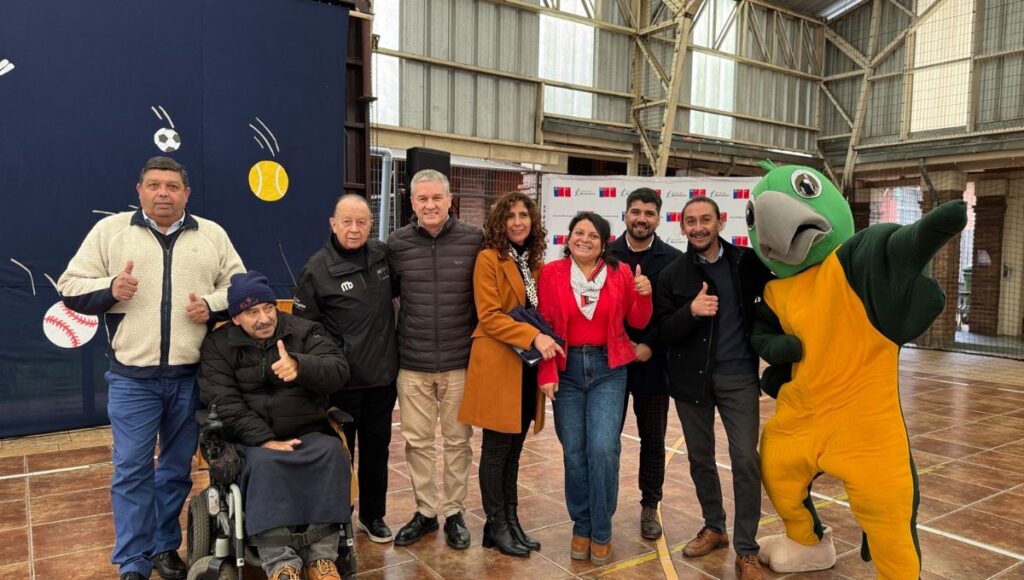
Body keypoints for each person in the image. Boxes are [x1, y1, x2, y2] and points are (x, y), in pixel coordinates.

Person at [57, 156, 245, 580]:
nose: (164, 193)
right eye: (155, 185)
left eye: (172, 186)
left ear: (186, 194)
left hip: (190, 378)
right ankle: (132, 560)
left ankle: (164, 548)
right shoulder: (110, 232)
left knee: (176, 471)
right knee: (131, 470)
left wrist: (212, 306)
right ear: (139, 190)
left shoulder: (211, 235)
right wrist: (109, 288)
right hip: (132, 380)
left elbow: (238, 286)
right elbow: (69, 286)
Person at [198, 271, 351, 580]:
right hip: (251, 438)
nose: (264, 318)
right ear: (236, 317)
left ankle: (322, 558)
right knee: (267, 462)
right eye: (252, 312)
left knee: (330, 450)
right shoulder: (218, 344)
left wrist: (301, 365)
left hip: (307, 429)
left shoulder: (305, 331)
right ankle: (281, 562)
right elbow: (222, 402)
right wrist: (264, 439)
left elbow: (338, 369)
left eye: (268, 308)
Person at [653, 197, 773, 580]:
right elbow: (662, 332)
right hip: (692, 380)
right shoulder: (674, 274)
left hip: (739, 377)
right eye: (691, 221)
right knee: (700, 459)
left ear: (720, 222)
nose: (699, 227)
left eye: (706, 219)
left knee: (745, 461)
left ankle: (747, 550)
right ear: (682, 226)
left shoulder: (748, 262)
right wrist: (691, 311)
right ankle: (714, 526)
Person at [537, 211, 652, 565]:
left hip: (608, 370)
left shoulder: (618, 274)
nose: (584, 239)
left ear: (604, 243)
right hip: (566, 369)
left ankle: (601, 529)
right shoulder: (551, 273)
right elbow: (541, 325)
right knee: (574, 451)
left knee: (603, 449)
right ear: (568, 238)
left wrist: (643, 294)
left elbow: (638, 321)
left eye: (592, 235)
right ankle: (581, 525)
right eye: (578, 232)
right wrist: (546, 374)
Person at [458, 191, 564, 557]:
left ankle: (511, 521)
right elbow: (489, 316)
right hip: (498, 364)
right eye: (510, 216)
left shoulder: (532, 262)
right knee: (495, 450)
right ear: (499, 223)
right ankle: (495, 523)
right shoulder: (489, 259)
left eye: (524, 214)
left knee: (515, 450)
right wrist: (535, 336)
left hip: (525, 368)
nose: (518, 221)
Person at [293, 194, 399, 544]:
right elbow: (303, 331)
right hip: (341, 384)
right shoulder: (316, 270)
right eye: (347, 222)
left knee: (376, 450)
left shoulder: (383, 256)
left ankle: (373, 516)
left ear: (371, 224)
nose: (355, 229)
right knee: (339, 457)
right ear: (332, 224)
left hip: (383, 380)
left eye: (362, 222)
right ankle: (337, 521)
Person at [386, 169, 483, 549]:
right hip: (412, 364)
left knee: (459, 441)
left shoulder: (474, 240)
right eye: (422, 199)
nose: (430, 205)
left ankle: (455, 511)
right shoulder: (396, 245)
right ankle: (426, 512)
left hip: (461, 362)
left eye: (436, 198)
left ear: (449, 199)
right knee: (418, 443)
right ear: (412, 203)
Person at [607, 188, 681, 541]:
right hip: (612, 365)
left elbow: (674, 315)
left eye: (649, 213)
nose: (641, 218)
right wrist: (623, 344)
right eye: (635, 211)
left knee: (653, 440)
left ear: (658, 218)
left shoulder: (673, 260)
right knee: (608, 441)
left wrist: (650, 345)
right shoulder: (606, 255)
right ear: (625, 215)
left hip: (653, 366)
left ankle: (650, 505)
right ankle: (604, 505)